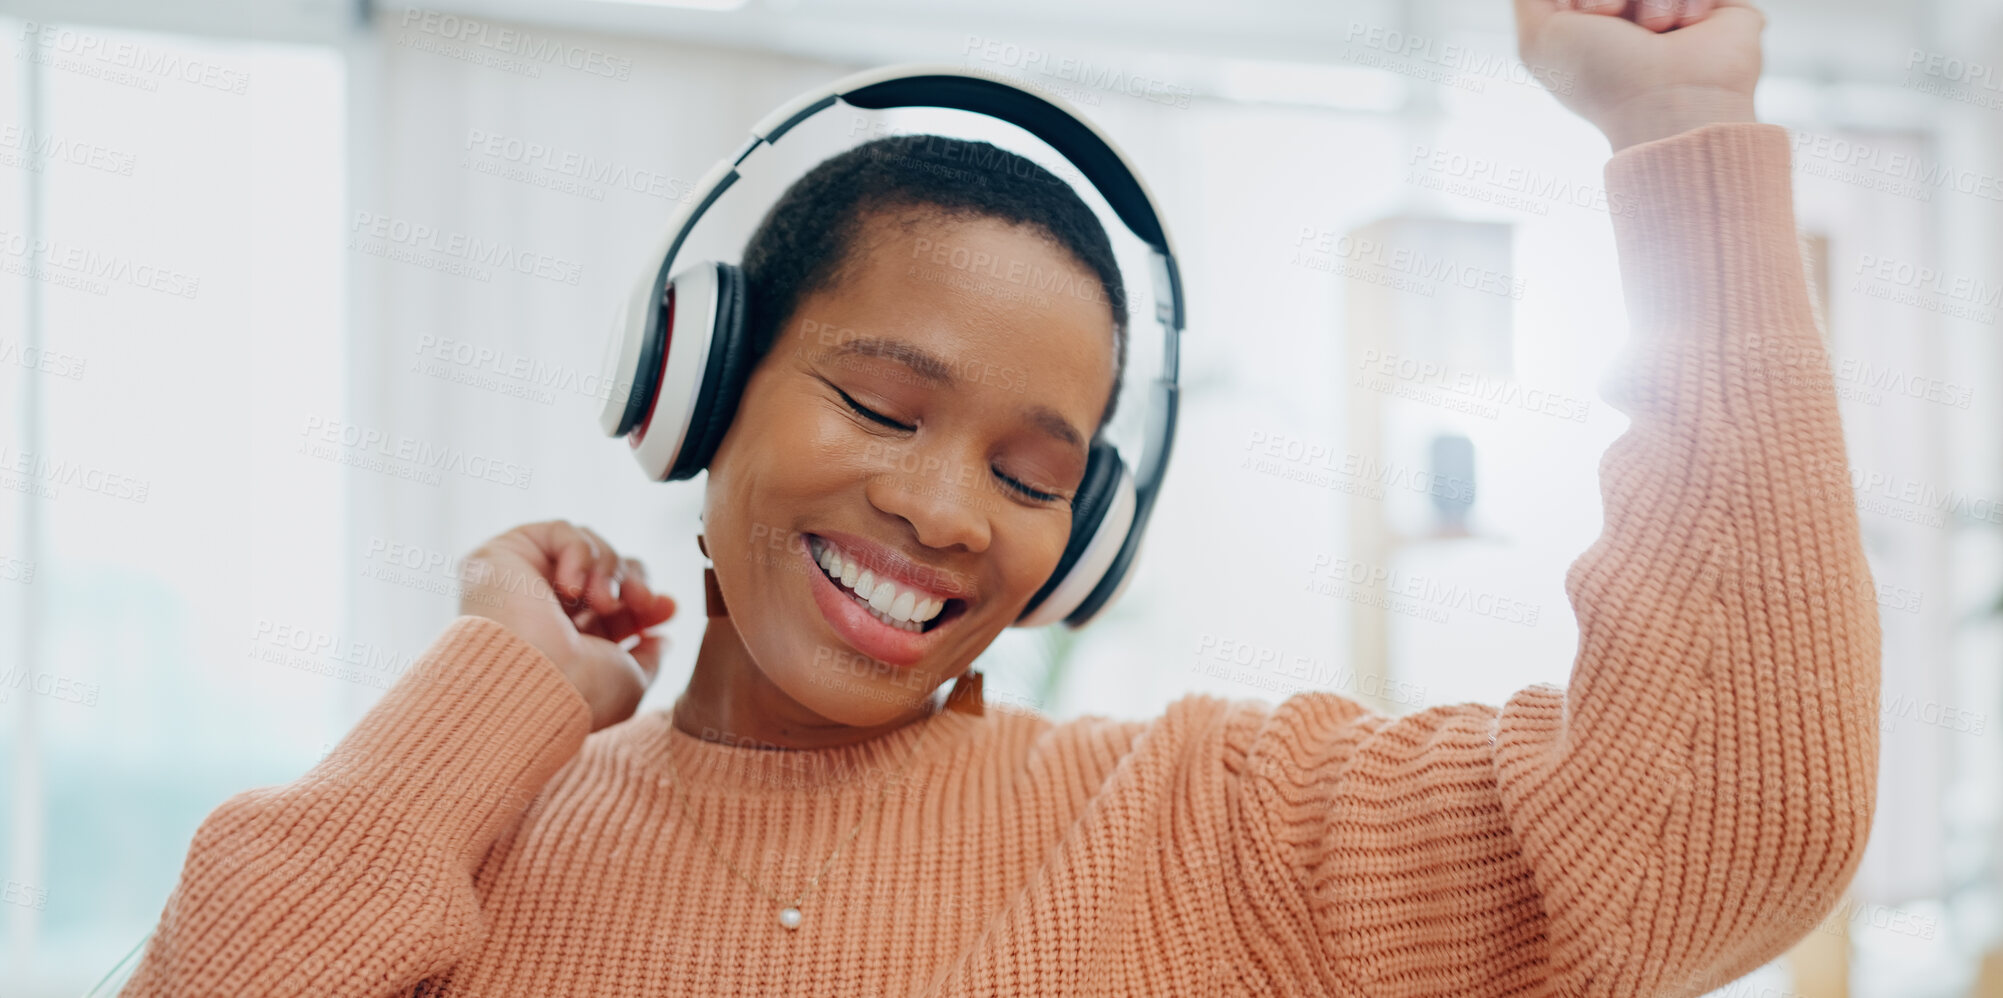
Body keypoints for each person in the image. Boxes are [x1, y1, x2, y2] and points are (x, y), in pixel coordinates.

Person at [119, 0, 1882, 994]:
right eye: (884, 403)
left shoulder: (1216, 816)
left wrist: (1678, 140)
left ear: (1086, 535)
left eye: (1038, 475)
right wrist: (494, 694)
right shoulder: (469, 836)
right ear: (701, 384)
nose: (952, 510)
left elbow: (1719, 835)